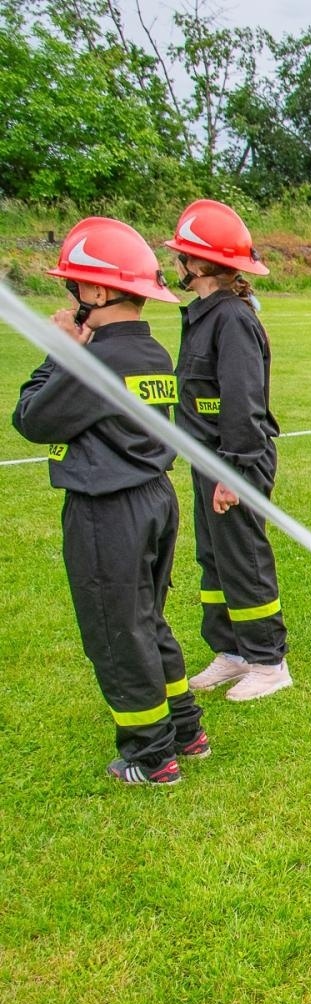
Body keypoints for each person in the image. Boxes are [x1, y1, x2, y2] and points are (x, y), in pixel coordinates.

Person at [12, 217, 209, 785]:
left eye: (73, 287)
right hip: (153, 500)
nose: (70, 298)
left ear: (97, 292)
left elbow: (31, 417)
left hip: (107, 509)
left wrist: (59, 353)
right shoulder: (149, 353)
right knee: (146, 619)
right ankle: (184, 727)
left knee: (115, 633)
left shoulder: (95, 362)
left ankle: (151, 756)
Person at [165, 199, 291, 701]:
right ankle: (233, 650)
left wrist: (232, 472)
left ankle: (268, 661)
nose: (174, 261)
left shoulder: (232, 318)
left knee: (243, 559)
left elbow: (243, 402)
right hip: (210, 462)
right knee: (214, 559)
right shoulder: (203, 315)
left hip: (233, 461)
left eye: (180, 254)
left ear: (197, 264)